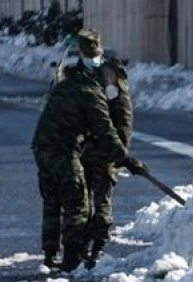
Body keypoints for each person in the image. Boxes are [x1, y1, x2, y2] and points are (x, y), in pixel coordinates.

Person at [32, 29, 144, 273]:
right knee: (78, 203)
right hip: (69, 150)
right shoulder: (92, 92)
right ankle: (73, 258)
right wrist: (125, 158)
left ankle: (56, 253)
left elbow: (119, 122)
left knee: (54, 200)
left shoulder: (66, 85)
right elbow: (105, 128)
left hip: (46, 148)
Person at [81, 54, 134, 267]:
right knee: (88, 203)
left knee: (99, 201)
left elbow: (122, 131)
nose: (107, 78)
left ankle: (95, 247)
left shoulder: (116, 97)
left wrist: (120, 156)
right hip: (92, 156)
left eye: (110, 74)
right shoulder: (99, 94)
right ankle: (86, 247)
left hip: (105, 157)